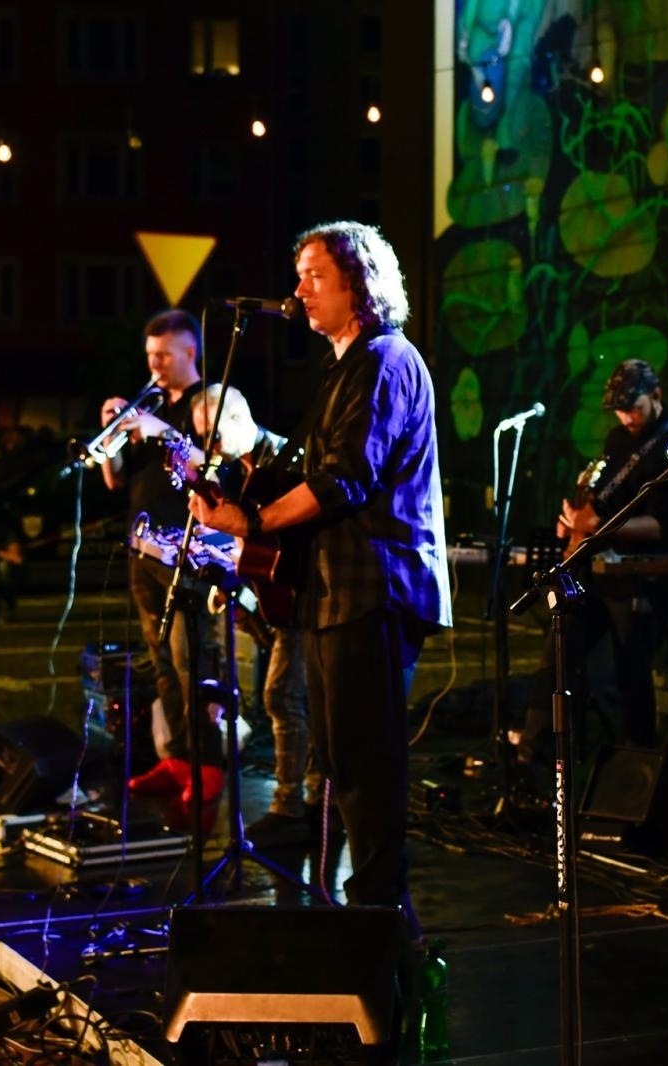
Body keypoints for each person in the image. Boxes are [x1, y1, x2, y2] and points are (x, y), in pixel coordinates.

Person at [190, 221, 451, 917]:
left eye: (314, 276)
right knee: (338, 765)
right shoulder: (347, 367)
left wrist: (253, 523)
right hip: (338, 594)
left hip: (376, 589)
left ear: (358, 285)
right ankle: (358, 917)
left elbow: (345, 479)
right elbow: (309, 469)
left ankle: (380, 924)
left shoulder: (386, 360)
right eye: (299, 274)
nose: (298, 290)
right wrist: (229, 491)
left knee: (367, 769)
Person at [514, 358, 668, 768]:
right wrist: (574, 521)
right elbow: (602, 500)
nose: (625, 416)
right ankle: (540, 756)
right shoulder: (618, 440)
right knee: (560, 652)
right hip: (595, 571)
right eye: (618, 408)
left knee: (632, 671)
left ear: (656, 396)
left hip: (643, 577)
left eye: (632, 406)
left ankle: (637, 768)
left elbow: (661, 524)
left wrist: (597, 526)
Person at [98, 309, 223, 820]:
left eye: (163, 356)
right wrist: (111, 436)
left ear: (189, 353)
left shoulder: (208, 402)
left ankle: (208, 766)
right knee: (162, 665)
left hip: (187, 551)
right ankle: (176, 760)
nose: (154, 366)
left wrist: (156, 431)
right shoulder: (152, 404)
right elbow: (114, 481)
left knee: (193, 661)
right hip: (143, 550)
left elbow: (211, 464)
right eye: (149, 356)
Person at [191, 383, 322, 850]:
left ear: (241, 417)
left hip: (307, 596)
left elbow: (296, 531)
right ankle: (305, 801)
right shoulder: (239, 471)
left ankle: (297, 806)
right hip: (276, 596)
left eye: (218, 436)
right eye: (206, 439)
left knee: (283, 696)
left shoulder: (285, 461)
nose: (215, 449)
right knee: (286, 699)